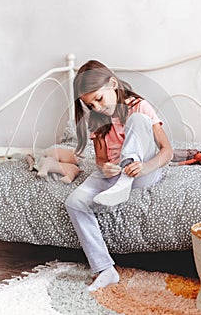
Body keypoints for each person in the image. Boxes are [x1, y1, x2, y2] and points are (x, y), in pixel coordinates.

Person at [64, 60, 173, 292]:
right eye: (90, 104)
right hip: (116, 176)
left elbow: (167, 150)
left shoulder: (139, 106)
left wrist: (144, 167)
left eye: (99, 99)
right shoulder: (97, 118)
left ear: (112, 84)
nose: (97, 107)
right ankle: (105, 269)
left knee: (137, 120)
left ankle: (125, 174)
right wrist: (105, 168)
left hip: (143, 171)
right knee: (74, 202)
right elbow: (102, 159)